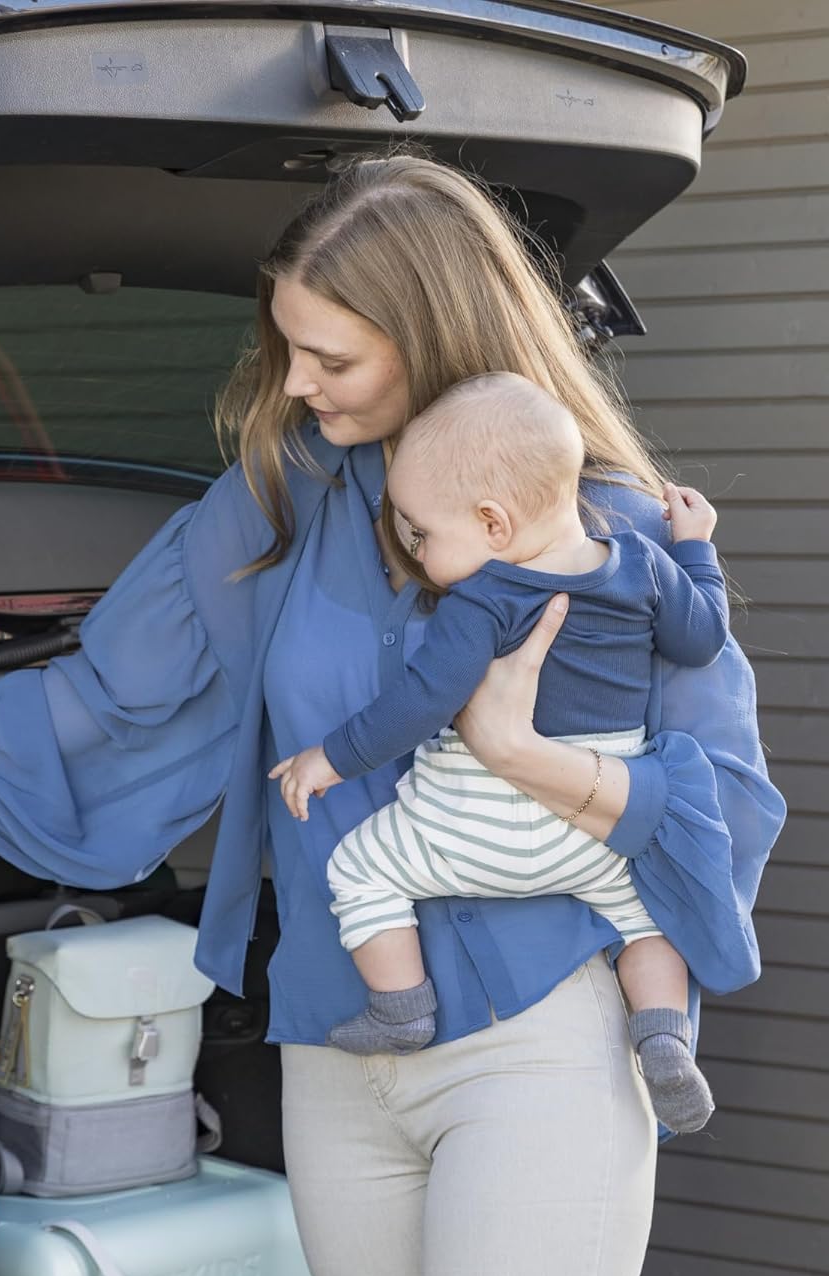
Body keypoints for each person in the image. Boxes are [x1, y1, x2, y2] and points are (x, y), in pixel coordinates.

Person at [0, 154, 785, 1276]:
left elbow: (724, 806)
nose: (293, 387)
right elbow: (102, 701)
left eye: (327, 354)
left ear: (433, 334)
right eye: (285, 349)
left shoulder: (604, 542)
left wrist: (521, 756)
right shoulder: (282, 504)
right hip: (339, 1054)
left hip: (535, 1053)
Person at [269, 372, 728, 1137]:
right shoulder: (644, 568)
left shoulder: (482, 600)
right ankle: (662, 1038)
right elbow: (703, 636)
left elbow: (420, 704)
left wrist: (330, 758)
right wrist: (697, 551)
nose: (415, 550)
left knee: (360, 869)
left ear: (492, 523)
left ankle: (401, 1008)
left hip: (468, 822)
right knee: (647, 922)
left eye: (422, 533)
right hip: (590, 830)